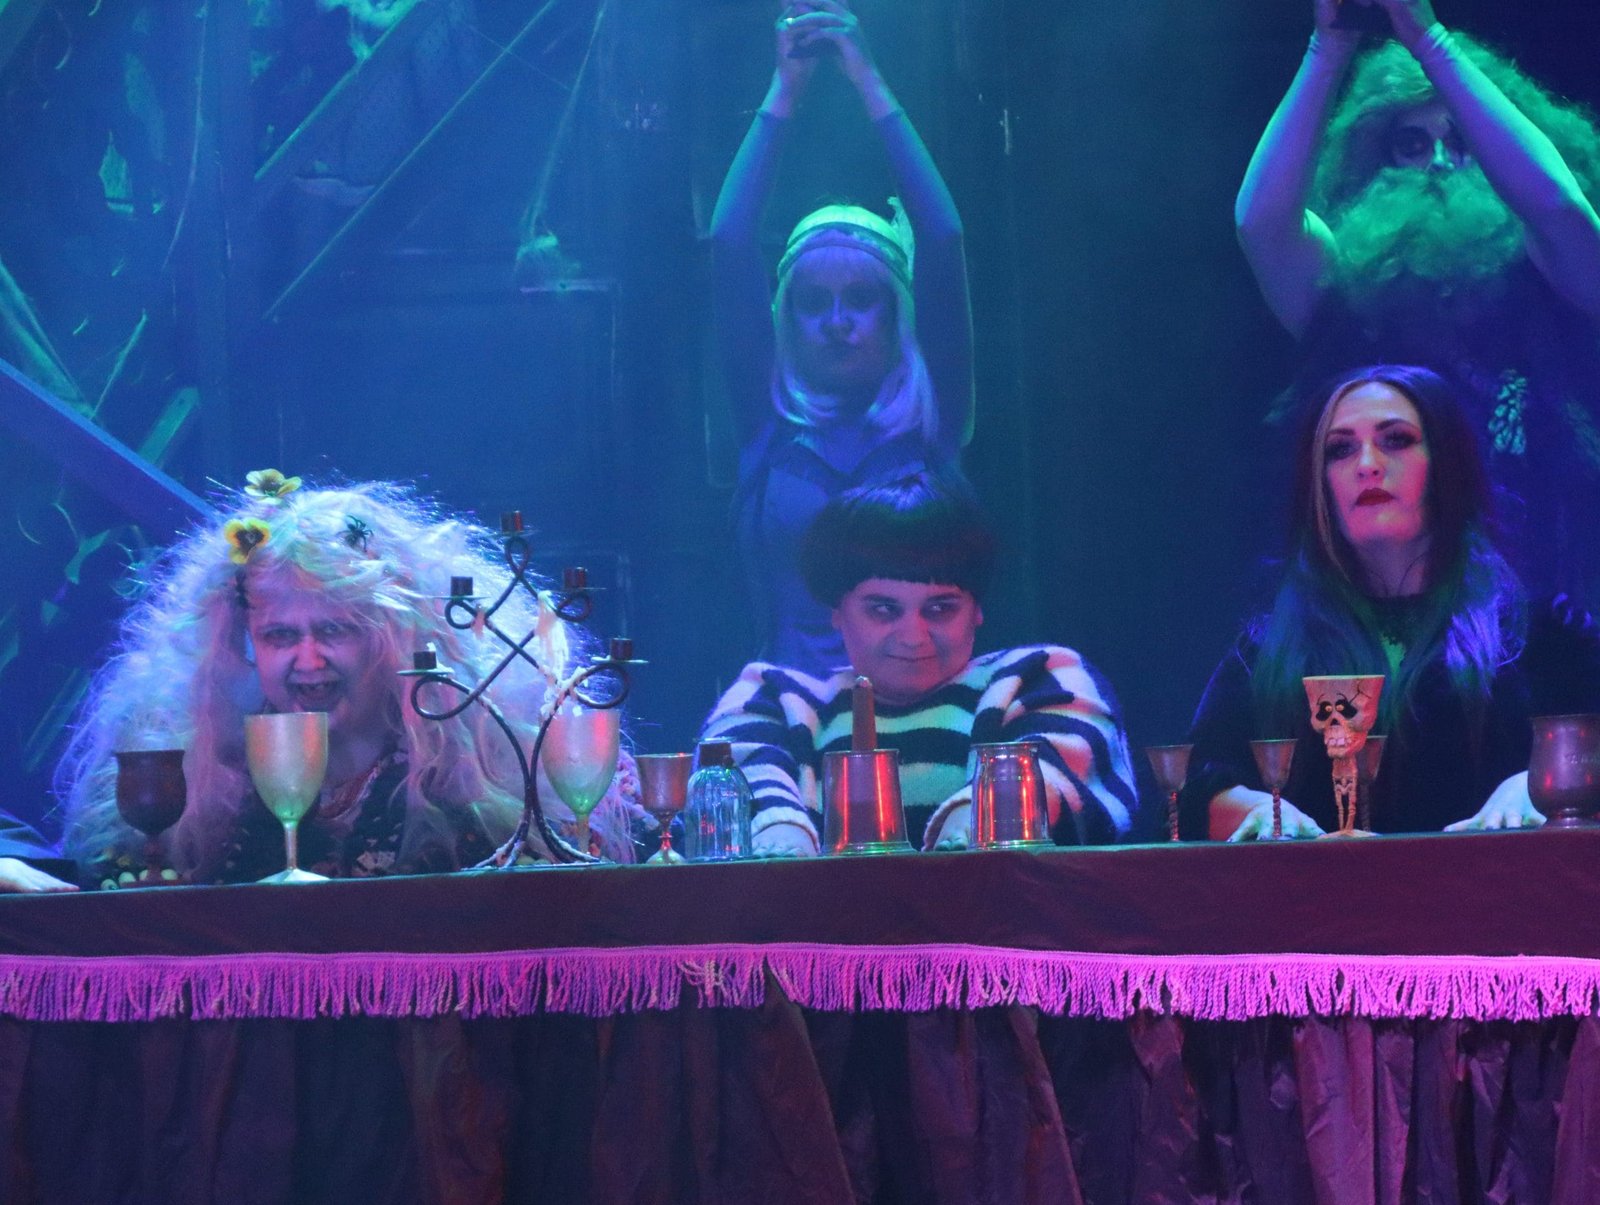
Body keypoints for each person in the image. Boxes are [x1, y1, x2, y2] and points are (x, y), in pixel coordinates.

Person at [59, 472, 633, 886]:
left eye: (334, 630)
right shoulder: (207, 783)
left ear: (390, 637)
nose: (308, 659)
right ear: (243, 643)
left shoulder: (468, 777)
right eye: (280, 635)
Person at [1235, 0, 1600, 599]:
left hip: (1546, 609)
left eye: (1462, 142)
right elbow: (1261, 224)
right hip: (1375, 615)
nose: (1438, 164)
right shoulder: (1349, 294)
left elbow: (1558, 206)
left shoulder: (1560, 276)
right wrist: (1328, 49)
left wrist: (1432, 43)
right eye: (1411, 145)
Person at [1183, 365, 1600, 841]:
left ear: (1447, 465)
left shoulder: (1543, 634)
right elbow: (1193, 787)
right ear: (1320, 486)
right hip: (1321, 891)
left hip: (1500, 888)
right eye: (1340, 449)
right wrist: (1252, 808)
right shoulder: (1267, 650)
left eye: (1396, 440)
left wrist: (1538, 784)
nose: (1367, 464)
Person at [710, 0, 974, 676]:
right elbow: (729, 242)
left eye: (860, 299)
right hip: (788, 713)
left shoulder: (931, 425)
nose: (836, 321)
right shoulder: (770, 425)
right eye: (813, 302)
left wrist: (869, 81)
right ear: (786, 319)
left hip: (923, 715)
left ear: (894, 313)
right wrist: (784, 92)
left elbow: (943, 236)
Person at [700, 471, 1137, 855]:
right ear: (838, 611)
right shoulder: (778, 698)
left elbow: (1065, 777)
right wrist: (778, 827)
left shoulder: (1037, 677)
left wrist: (974, 817)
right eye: (883, 609)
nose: (913, 636)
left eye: (940, 608)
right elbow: (733, 778)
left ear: (977, 610)